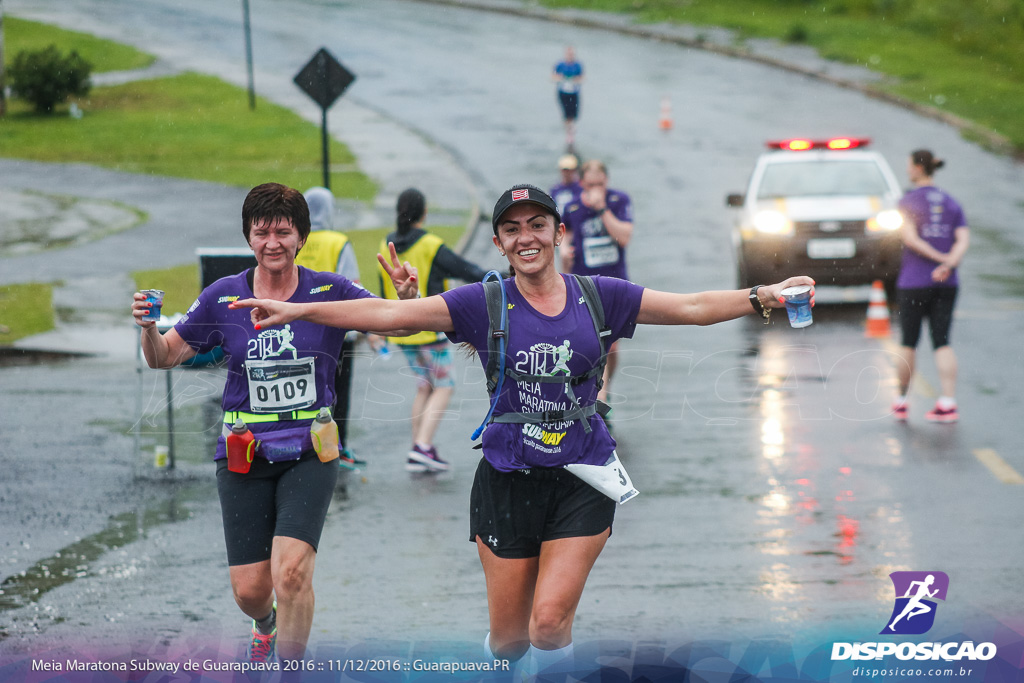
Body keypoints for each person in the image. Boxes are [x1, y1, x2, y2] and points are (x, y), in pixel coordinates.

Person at [230, 184, 813, 676]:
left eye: (537, 224)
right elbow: (389, 316)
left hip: (582, 475)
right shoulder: (483, 304)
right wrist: (301, 309)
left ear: (558, 234)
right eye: (512, 229)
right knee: (510, 642)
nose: (526, 237)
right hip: (506, 479)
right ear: (499, 243)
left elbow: (689, 306)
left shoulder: (598, 297)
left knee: (549, 625)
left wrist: (763, 294)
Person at [131, 183, 416, 664]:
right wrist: (147, 330)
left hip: (310, 451)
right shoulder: (224, 297)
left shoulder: (330, 291)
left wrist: (407, 297)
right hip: (244, 453)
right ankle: (265, 623)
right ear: (248, 238)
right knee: (251, 590)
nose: (272, 243)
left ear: (301, 237)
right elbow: (164, 357)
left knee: (291, 575)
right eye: (261, 232)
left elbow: (399, 324)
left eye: (283, 232)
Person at [376, 187, 487, 473]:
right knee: (445, 385)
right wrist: (495, 279)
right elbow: (464, 269)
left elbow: (380, 288)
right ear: (424, 213)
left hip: (401, 328)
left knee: (425, 386)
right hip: (429, 329)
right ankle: (422, 446)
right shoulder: (430, 244)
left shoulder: (385, 243)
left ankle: (418, 447)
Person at [892, 150, 970, 423]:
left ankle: (901, 401)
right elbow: (962, 239)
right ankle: (948, 402)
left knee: (908, 342)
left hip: (914, 281)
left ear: (916, 168)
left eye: (908, 165)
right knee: (942, 341)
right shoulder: (951, 202)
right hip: (947, 283)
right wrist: (949, 263)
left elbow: (911, 239)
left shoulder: (908, 201)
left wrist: (939, 259)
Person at [297, 186, 362, 468]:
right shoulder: (338, 242)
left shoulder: (297, 240)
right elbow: (353, 285)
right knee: (338, 393)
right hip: (337, 333)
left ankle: (305, 443)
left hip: (300, 331)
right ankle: (337, 447)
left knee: (306, 391)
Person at [561, 159, 633, 407]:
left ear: (607, 182)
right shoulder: (571, 209)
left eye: (600, 184)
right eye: (590, 184)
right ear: (581, 183)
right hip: (583, 286)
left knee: (611, 348)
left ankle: (604, 389)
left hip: (615, 285)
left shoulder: (618, 201)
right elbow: (565, 240)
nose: (595, 190)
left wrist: (602, 209)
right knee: (591, 345)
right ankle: (595, 400)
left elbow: (623, 237)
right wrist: (563, 254)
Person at [552, 46, 583, 148]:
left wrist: (575, 79)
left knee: (573, 114)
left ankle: (571, 131)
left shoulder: (578, 65)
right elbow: (553, 77)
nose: (570, 56)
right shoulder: (560, 65)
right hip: (563, 92)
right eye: (568, 54)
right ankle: (569, 134)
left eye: (572, 54)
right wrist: (561, 78)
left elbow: (582, 78)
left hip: (574, 93)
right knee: (566, 113)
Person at [549, 153, 582, 218]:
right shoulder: (555, 189)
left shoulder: (580, 188)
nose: (567, 173)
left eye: (569, 170)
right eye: (564, 170)